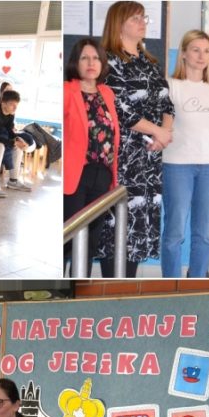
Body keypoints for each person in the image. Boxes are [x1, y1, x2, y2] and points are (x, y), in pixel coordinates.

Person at [99, 1, 175, 278]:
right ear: (119, 25)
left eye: (144, 18)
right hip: (124, 160)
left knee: (139, 234)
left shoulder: (148, 61)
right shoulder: (108, 61)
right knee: (118, 230)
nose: (143, 22)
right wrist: (156, 131)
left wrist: (164, 134)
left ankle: (127, 285)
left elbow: (168, 103)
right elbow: (118, 109)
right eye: (136, 18)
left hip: (151, 159)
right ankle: (113, 288)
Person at [162, 30, 209, 278]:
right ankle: (171, 283)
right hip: (177, 165)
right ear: (185, 54)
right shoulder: (171, 86)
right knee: (175, 232)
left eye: (207, 51)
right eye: (196, 50)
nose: (202, 56)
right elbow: (166, 126)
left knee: (203, 233)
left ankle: (196, 281)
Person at [63, 38, 119, 277]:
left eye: (95, 57)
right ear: (76, 62)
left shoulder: (107, 93)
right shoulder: (67, 91)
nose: (91, 63)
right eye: (85, 57)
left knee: (91, 241)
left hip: (103, 174)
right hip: (78, 174)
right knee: (72, 238)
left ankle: (80, 286)